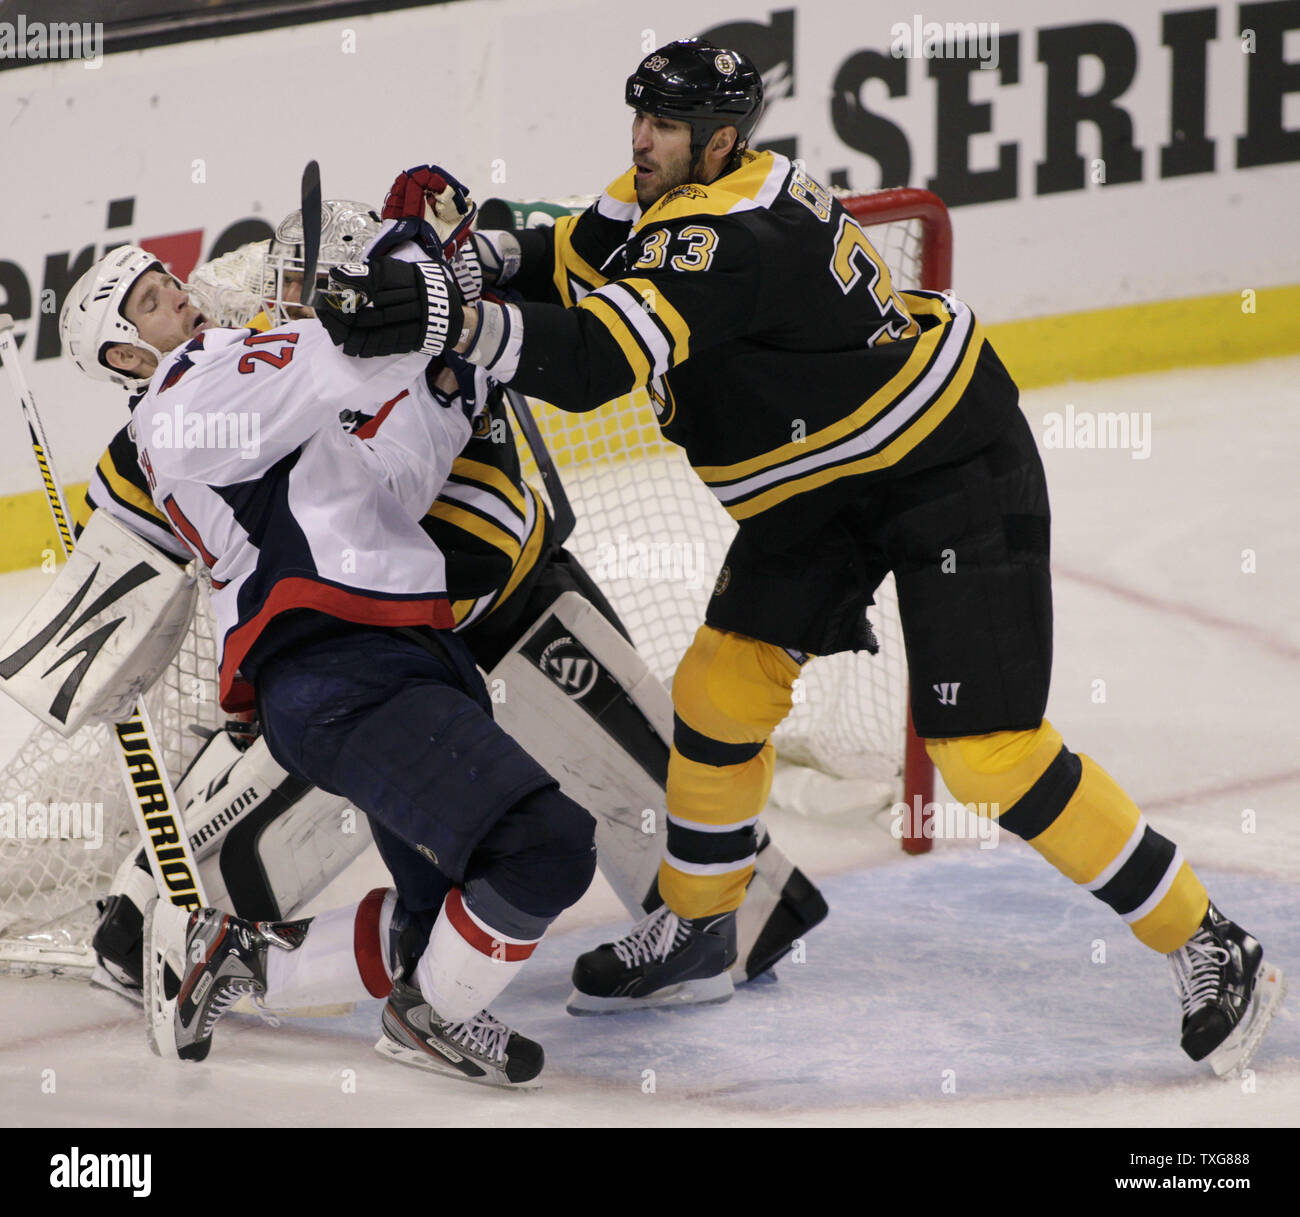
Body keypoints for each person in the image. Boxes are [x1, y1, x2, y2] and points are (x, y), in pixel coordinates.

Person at [315, 39, 1286, 1074]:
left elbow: (596, 360)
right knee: (721, 689)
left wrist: (448, 317)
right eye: (638, 117)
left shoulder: (725, 240)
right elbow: (573, 250)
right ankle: (701, 930)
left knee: (985, 752)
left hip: (945, 469)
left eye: (665, 127)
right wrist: (482, 257)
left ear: (719, 140)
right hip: (822, 488)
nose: (641, 140)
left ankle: (1205, 936)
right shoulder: (686, 189)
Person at [75, 200, 829, 1016]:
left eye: (315, 281)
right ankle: (177, 937)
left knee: (700, 893)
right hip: (373, 652)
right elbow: (193, 436)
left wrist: (468, 270)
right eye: (295, 280)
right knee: (374, 824)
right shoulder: (268, 364)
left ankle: (677, 936)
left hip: (481, 622)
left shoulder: (424, 339)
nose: (291, 295)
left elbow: (419, 461)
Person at [59, 237, 599, 1088]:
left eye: (172, 281)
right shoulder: (181, 402)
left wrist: (449, 386)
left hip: (404, 652)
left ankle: (230, 957)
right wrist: (412, 283)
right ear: (128, 353)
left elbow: (391, 482)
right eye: (157, 299)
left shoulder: (255, 395)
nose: (184, 295)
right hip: (341, 671)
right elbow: (339, 357)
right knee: (549, 846)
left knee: (437, 917)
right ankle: (430, 1017)